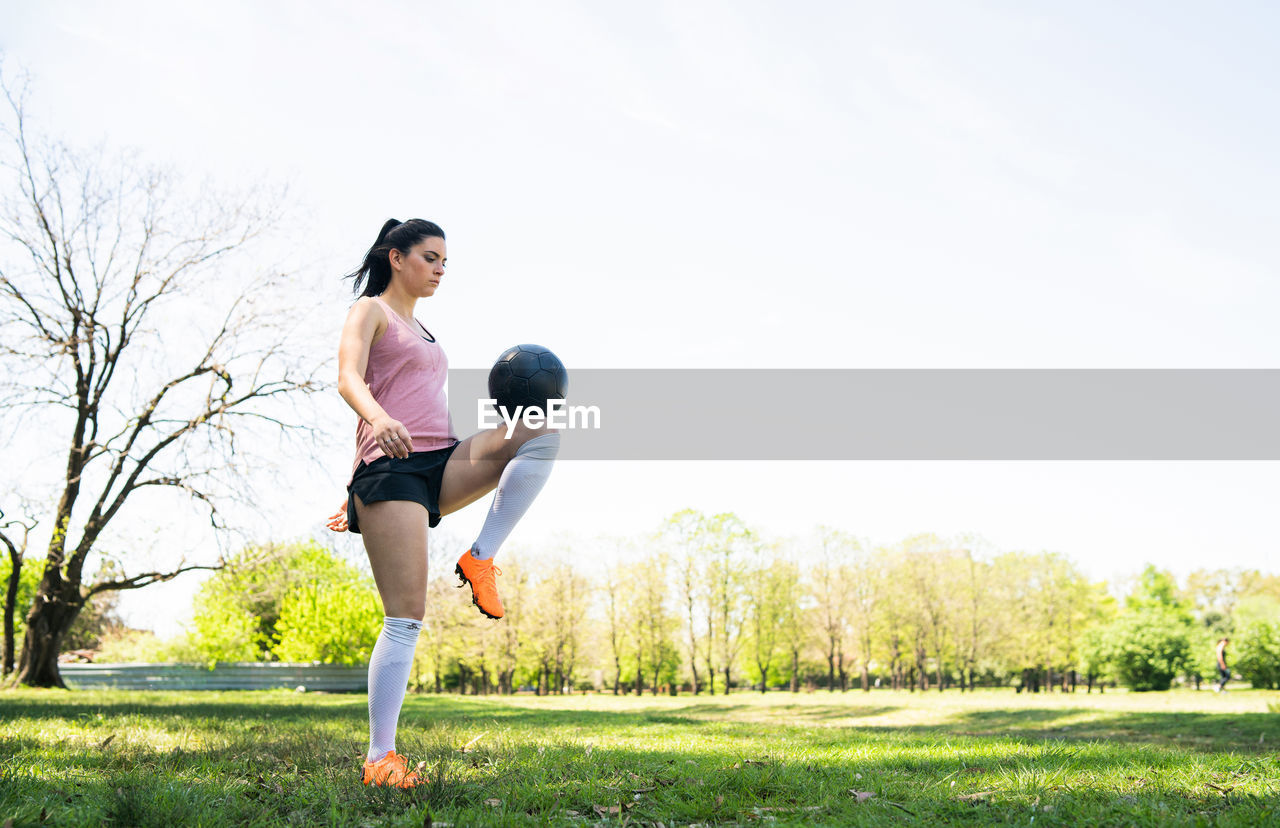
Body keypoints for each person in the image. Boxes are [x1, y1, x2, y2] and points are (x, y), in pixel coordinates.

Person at [327, 219, 560, 788]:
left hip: (441, 460)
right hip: (391, 469)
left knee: (541, 431)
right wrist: (377, 421)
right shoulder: (370, 311)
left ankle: (480, 558)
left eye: (445, 262)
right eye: (430, 258)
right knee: (405, 617)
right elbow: (347, 379)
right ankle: (381, 758)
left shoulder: (424, 330)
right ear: (396, 257)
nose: (439, 269)